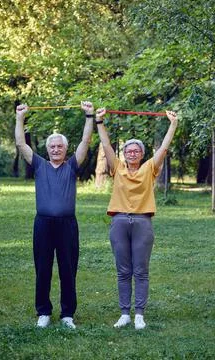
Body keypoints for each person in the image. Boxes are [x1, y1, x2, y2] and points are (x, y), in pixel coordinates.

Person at [95, 108, 178, 330]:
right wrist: (100, 121)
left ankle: (139, 314)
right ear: (123, 155)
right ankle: (125, 313)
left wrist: (173, 124)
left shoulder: (150, 168)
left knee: (141, 270)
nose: (132, 154)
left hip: (142, 223)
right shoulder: (117, 168)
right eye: (128, 151)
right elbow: (105, 146)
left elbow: (163, 148)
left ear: (141, 154)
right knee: (123, 271)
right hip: (119, 222)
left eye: (136, 151)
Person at [15, 101, 94, 329]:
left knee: (68, 269)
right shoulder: (39, 165)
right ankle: (44, 312)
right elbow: (21, 143)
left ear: (65, 149)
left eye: (60, 146)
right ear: (48, 149)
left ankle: (67, 314)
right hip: (43, 225)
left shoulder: (71, 166)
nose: (56, 149)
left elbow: (86, 142)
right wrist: (20, 118)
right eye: (52, 147)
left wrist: (89, 116)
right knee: (43, 268)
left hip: (67, 225)